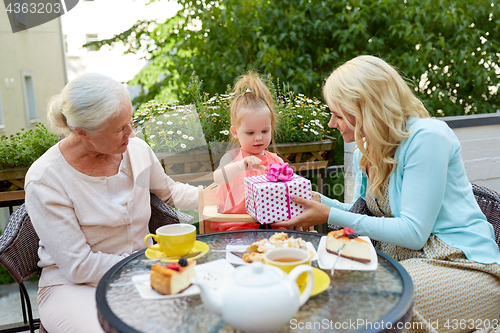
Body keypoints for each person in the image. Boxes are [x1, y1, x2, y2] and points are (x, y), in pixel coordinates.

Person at [274, 55, 500, 332]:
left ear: (367, 108)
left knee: (376, 302)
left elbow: (414, 233)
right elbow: (362, 212)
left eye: (338, 114)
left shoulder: (427, 138)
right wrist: (317, 201)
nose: (332, 122)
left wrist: (329, 214)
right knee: (321, 288)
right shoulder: (366, 152)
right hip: (406, 262)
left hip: (464, 265)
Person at [24, 73, 198, 333]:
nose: (132, 132)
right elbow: (79, 266)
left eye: (130, 121)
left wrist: (228, 196)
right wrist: (144, 266)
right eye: (120, 129)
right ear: (83, 132)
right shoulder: (45, 179)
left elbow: (170, 193)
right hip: (74, 287)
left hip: (142, 272)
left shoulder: (136, 150)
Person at [211, 71, 287, 232]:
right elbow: (218, 178)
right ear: (235, 132)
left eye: (265, 131)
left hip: (271, 227)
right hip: (235, 227)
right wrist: (240, 166)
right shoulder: (232, 158)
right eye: (250, 133)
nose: (258, 138)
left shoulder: (276, 161)